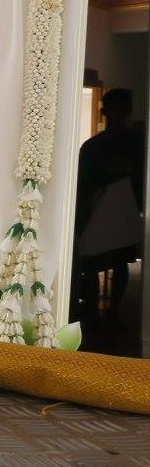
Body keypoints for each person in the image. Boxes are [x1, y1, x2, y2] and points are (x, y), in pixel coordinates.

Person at [72, 88, 145, 327]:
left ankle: (111, 311)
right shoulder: (93, 147)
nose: (116, 115)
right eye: (113, 109)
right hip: (97, 213)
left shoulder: (138, 144)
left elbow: (140, 181)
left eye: (120, 110)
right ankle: (94, 309)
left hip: (123, 213)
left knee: (118, 261)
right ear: (105, 112)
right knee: (91, 260)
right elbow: (83, 184)